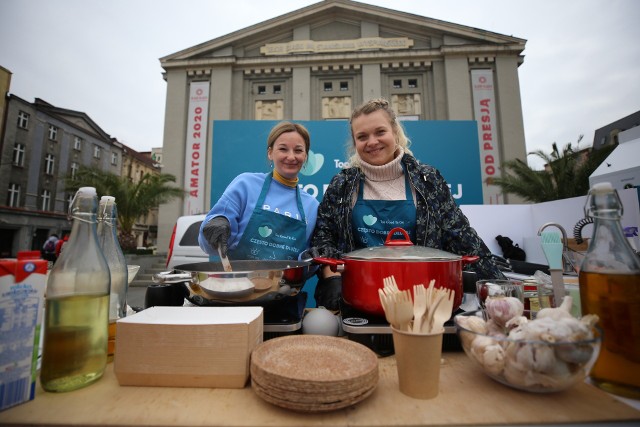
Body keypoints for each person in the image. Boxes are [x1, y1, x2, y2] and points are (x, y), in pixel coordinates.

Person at [309, 98, 505, 310]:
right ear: (354, 142)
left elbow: (460, 236)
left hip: (424, 300)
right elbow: (324, 236)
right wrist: (331, 279)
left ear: (394, 131)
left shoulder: (427, 180)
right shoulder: (343, 184)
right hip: (361, 296)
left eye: (380, 132)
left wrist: (500, 289)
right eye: (362, 136)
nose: (372, 141)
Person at [199, 121, 319, 261]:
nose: (291, 157)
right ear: (270, 153)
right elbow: (207, 245)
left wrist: (308, 259)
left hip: (284, 283)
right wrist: (215, 227)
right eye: (283, 149)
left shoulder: (312, 206)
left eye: (298, 150)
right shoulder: (245, 185)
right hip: (237, 281)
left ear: (305, 156)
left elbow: (307, 266)